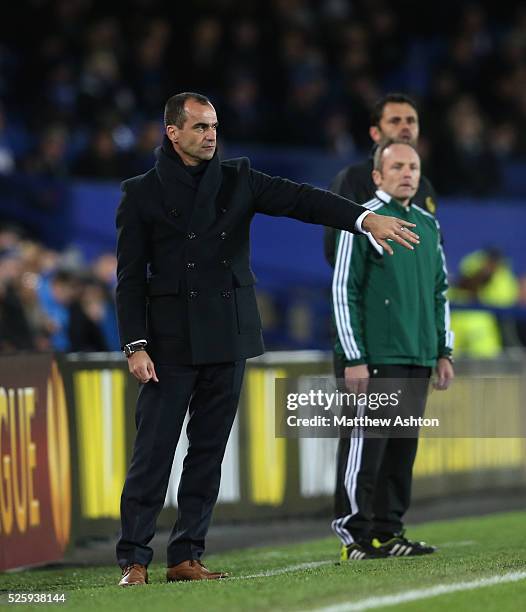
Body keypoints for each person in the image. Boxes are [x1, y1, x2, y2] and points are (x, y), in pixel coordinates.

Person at [115, 92, 419, 586]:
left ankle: (186, 555)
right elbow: (129, 277)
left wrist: (363, 220)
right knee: (153, 454)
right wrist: (135, 343)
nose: (210, 134)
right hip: (168, 343)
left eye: (214, 126)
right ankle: (133, 559)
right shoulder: (141, 192)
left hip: (227, 337)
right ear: (173, 133)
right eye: (199, 128)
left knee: (207, 453)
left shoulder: (239, 178)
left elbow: (304, 200)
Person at [331, 140, 454, 560]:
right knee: (367, 448)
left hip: (418, 354)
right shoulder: (362, 219)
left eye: (414, 167)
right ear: (377, 175)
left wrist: (443, 350)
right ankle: (354, 535)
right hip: (378, 355)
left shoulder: (427, 223)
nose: (408, 173)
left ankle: (389, 530)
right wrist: (354, 356)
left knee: (401, 451)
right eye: (398, 166)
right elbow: (343, 289)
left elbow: (440, 290)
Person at [324, 92, 438, 268]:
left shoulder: (424, 186)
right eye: (395, 121)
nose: (405, 127)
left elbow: (431, 247)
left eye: (411, 121)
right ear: (375, 133)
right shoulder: (351, 180)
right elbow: (337, 250)